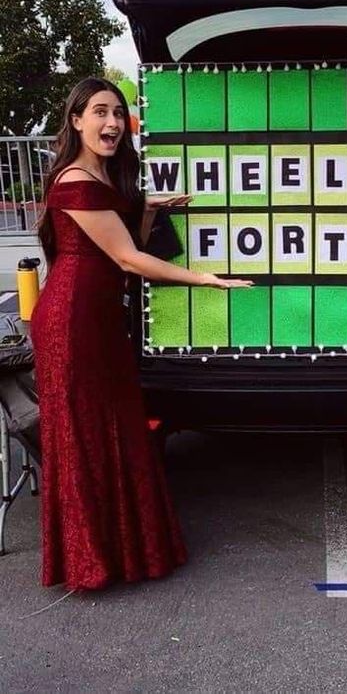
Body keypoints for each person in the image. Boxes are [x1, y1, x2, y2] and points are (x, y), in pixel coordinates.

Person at [32, 77, 250, 591]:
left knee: (112, 428)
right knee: (87, 434)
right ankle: (93, 562)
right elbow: (128, 256)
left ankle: (117, 554)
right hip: (72, 320)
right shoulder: (74, 181)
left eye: (118, 114)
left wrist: (150, 208)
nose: (111, 124)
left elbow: (125, 245)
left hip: (95, 315)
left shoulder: (101, 177)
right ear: (76, 119)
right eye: (100, 112)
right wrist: (204, 277)